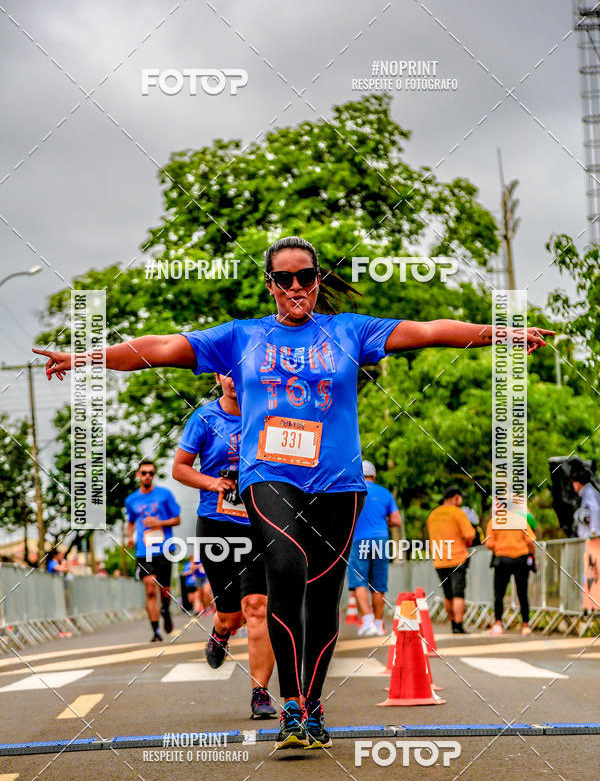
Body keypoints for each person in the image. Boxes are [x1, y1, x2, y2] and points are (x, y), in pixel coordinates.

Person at [34, 234, 552, 748]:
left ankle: (314, 705)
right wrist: (86, 357)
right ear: (271, 285)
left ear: (318, 279)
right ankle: (288, 705)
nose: (297, 286)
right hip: (269, 477)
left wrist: (497, 333)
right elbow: (161, 348)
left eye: (306, 276)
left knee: (324, 597)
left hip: (338, 483)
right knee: (285, 567)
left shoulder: (350, 331)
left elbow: (427, 330)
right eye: (285, 279)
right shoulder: (241, 337)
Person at [172, 373, 276, 720]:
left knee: (258, 607)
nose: (234, 380)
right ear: (218, 377)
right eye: (226, 373)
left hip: (259, 525)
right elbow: (180, 469)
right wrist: (213, 482)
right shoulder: (204, 418)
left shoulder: (268, 413)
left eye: (240, 372)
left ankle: (260, 693)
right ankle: (219, 631)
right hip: (216, 527)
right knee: (232, 615)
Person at [125, 459, 181, 642]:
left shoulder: (164, 495)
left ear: (154, 475)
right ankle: (156, 631)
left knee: (164, 592)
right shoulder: (131, 500)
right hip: (144, 551)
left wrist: (159, 523)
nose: (147, 476)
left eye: (151, 473)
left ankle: (165, 609)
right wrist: (129, 537)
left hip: (164, 548)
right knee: (150, 588)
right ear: (138, 475)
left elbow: (177, 519)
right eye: (144, 473)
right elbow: (131, 521)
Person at [347, 460, 402, 636]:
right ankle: (378, 624)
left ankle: (368, 621)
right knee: (378, 583)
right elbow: (397, 520)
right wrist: (382, 521)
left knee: (360, 582)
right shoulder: (385, 493)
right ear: (374, 475)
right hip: (381, 540)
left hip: (358, 540)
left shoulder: (353, 493)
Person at [426, 485, 476, 634]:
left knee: (447, 594)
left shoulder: (432, 515)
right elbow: (469, 535)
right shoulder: (458, 513)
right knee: (458, 594)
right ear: (456, 497)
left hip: (440, 560)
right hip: (457, 558)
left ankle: (453, 623)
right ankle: (459, 625)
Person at [485, 505, 536, 635]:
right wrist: (531, 556)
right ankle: (526, 625)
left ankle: (498, 624)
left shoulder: (494, 521)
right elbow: (530, 541)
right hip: (521, 559)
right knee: (522, 593)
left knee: (499, 593)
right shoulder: (520, 520)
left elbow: (489, 544)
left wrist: (500, 545)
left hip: (502, 559)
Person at [571, 467, 600, 611]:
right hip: (591, 540)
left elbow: (595, 509)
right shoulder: (589, 492)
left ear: (577, 483)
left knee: (592, 571)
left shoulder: (588, 493)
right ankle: (591, 604)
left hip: (593, 540)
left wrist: (594, 531)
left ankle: (592, 605)